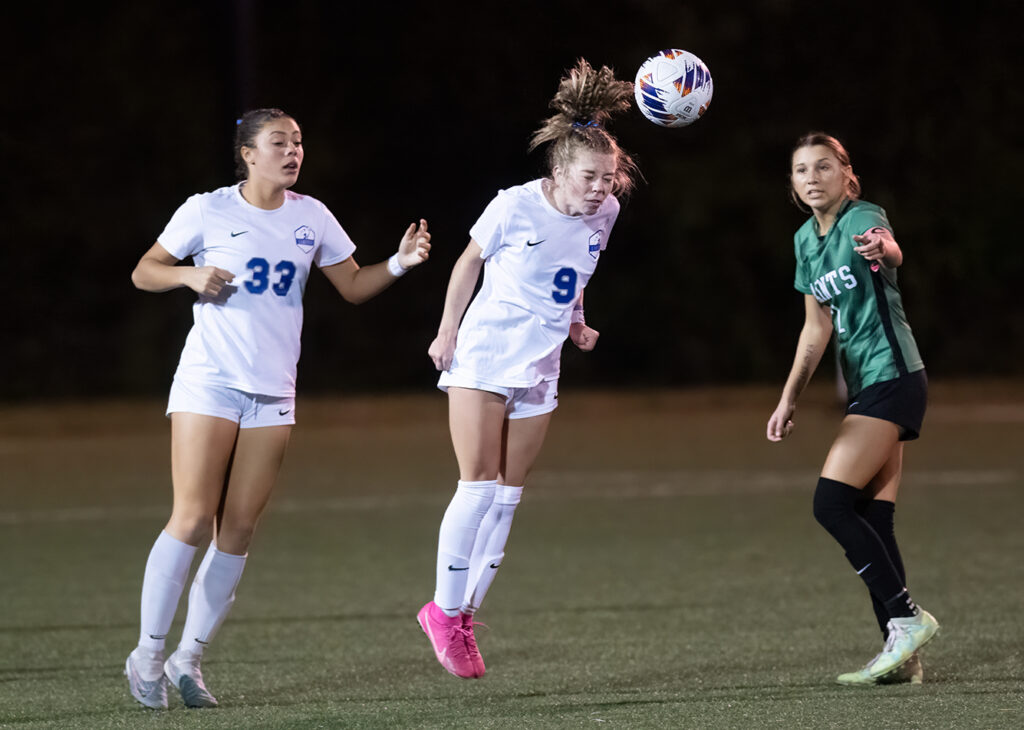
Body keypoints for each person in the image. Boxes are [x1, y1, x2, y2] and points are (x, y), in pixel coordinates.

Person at [124, 108, 430, 709]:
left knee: (237, 529)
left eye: (297, 142)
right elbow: (144, 272)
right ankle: (148, 655)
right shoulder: (207, 208)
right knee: (190, 517)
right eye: (278, 142)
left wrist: (399, 263)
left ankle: (190, 660)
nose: (293, 151)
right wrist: (189, 277)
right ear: (248, 153)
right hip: (209, 381)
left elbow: (351, 286)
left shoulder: (311, 215)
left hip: (273, 391)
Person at [416, 59, 639, 679]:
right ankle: (442, 611)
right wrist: (446, 331)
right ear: (559, 171)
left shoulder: (607, 214)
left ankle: (460, 618)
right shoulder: (513, 207)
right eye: (591, 177)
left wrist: (576, 321)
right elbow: (466, 266)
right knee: (479, 486)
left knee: (509, 498)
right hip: (485, 354)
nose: (602, 188)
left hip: (542, 364)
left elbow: (578, 273)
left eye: (610, 178)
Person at [766, 132, 939, 686]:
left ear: (847, 174)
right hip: (868, 383)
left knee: (831, 504)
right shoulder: (803, 241)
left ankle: (907, 619)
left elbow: (890, 248)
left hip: (894, 376)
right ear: (793, 183)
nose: (812, 177)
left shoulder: (863, 216)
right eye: (800, 170)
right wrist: (789, 397)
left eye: (823, 167)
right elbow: (815, 328)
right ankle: (903, 655)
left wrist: (882, 249)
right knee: (873, 520)